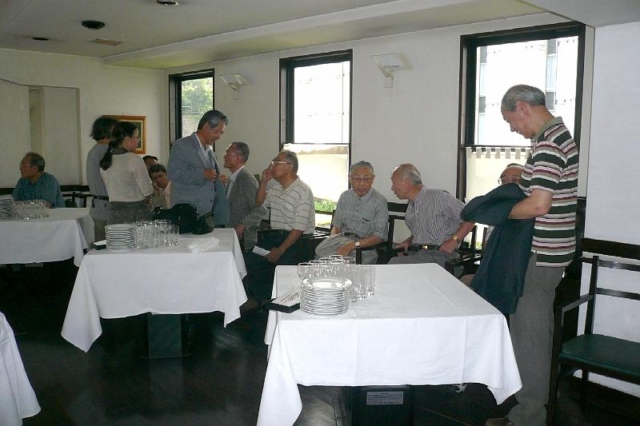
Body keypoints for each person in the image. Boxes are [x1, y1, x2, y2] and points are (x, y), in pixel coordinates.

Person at [485, 85, 578, 426]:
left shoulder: (550, 142)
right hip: (548, 253)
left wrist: (498, 211)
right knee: (535, 333)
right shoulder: (554, 137)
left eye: (511, 120)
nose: (513, 129)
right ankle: (536, 406)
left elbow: (538, 205)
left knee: (530, 338)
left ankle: (528, 417)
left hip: (541, 255)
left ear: (522, 107)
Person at [243, 150, 315, 304]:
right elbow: (259, 202)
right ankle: (261, 301)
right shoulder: (276, 188)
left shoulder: (303, 191)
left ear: (290, 166)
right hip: (275, 237)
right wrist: (264, 182)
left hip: (296, 241)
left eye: (276, 163)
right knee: (248, 260)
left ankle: (276, 303)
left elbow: (299, 228)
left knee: (279, 267)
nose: (272, 166)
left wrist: (280, 250)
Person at [388, 163, 475, 267]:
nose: (392, 188)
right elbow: (423, 232)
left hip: (441, 255)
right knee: (392, 261)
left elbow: (471, 216)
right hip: (418, 254)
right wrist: (408, 241)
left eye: (394, 183)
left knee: (395, 263)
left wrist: (454, 240)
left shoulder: (439, 197)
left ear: (406, 182)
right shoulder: (411, 205)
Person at [315, 161, 388, 264]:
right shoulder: (345, 196)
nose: (361, 183)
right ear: (350, 178)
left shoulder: (379, 201)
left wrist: (352, 245)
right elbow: (336, 227)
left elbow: (379, 236)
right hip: (341, 242)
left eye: (366, 179)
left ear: (373, 179)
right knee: (318, 259)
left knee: (337, 266)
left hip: (363, 249)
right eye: (357, 179)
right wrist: (333, 241)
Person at [167, 109, 229, 226]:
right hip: (187, 213)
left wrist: (216, 179)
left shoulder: (210, 151)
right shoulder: (182, 145)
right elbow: (173, 173)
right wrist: (203, 174)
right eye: (217, 132)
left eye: (221, 133)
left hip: (207, 215)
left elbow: (209, 176)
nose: (219, 137)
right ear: (206, 126)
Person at [99, 121, 154, 224]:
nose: (138, 140)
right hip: (135, 214)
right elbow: (147, 191)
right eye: (137, 137)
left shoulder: (106, 161)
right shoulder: (133, 159)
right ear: (127, 139)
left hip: (114, 214)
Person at [222, 142, 266, 251]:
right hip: (229, 238)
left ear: (238, 157)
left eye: (228, 153)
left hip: (242, 241)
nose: (224, 156)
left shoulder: (246, 179)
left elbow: (260, 210)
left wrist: (242, 225)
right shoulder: (231, 178)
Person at [86, 116, 118, 241]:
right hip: (108, 207)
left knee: (101, 244)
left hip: (98, 207)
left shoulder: (94, 150)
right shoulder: (106, 151)